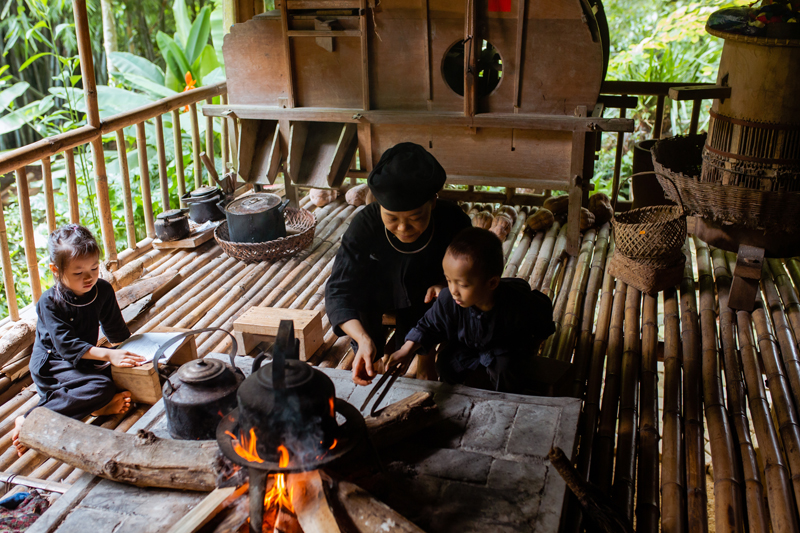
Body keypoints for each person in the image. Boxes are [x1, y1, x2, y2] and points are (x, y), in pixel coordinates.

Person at [325, 142, 472, 386]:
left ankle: (426, 359)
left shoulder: (453, 221)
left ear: (433, 203)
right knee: (358, 293)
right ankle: (370, 348)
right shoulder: (365, 225)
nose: (403, 228)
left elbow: (475, 273)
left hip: (424, 299)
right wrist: (362, 339)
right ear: (379, 207)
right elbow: (339, 289)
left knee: (442, 297)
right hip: (378, 294)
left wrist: (446, 285)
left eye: (416, 218)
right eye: (391, 218)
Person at [11, 225, 145, 456]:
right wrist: (109, 355)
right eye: (77, 272)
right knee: (100, 386)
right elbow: (66, 346)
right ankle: (30, 419)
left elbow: (118, 334)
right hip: (54, 366)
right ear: (55, 269)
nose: (88, 277)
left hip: (85, 361)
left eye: (94, 268)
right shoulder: (49, 302)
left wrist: (138, 356)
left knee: (120, 377)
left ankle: (98, 408)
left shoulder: (101, 289)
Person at [388, 227, 556, 393]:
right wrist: (405, 350)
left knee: (507, 370)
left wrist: (532, 345)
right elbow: (428, 326)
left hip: (504, 350)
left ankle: (505, 403)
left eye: (462, 284)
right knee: (445, 363)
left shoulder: (518, 304)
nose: (453, 290)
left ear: (492, 283)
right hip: (467, 347)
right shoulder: (449, 299)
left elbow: (543, 318)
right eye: (449, 280)